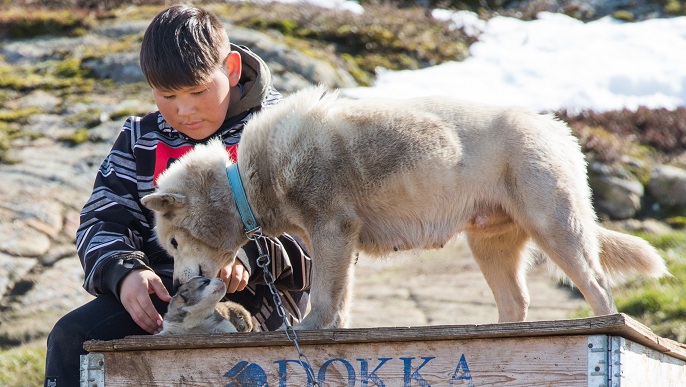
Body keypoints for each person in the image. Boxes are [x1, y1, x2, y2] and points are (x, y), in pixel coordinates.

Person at [44, 5, 312, 386]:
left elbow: (317, 235)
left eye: (198, 91)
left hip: (257, 296)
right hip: (163, 293)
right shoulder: (138, 139)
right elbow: (103, 220)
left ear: (231, 69)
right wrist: (124, 273)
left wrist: (248, 257)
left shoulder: (286, 130)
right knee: (72, 338)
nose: (184, 110)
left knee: (212, 342)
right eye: (167, 95)